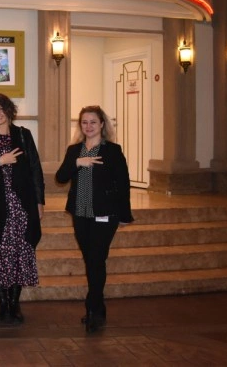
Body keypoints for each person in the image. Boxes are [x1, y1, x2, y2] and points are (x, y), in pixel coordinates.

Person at [55, 105, 133, 333]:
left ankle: (94, 310)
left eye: (93, 122)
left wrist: (125, 215)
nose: (88, 126)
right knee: (90, 259)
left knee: (97, 260)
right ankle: (97, 306)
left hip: (104, 214)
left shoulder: (112, 151)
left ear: (102, 125)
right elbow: (60, 177)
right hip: (80, 213)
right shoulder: (74, 150)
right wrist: (77, 163)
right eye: (84, 122)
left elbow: (123, 184)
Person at [0, 93, 44, 325]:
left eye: (1, 109)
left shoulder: (23, 135)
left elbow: (35, 170)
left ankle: (15, 304)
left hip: (21, 206)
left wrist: (39, 202)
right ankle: (2, 303)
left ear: (9, 110)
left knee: (19, 253)